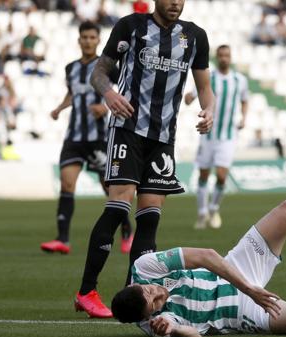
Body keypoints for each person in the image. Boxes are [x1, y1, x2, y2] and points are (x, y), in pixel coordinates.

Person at [75, 0, 215, 318]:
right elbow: (99, 74)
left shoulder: (195, 36)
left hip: (163, 138)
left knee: (149, 218)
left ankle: (133, 293)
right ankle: (86, 292)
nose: (176, 3)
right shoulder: (131, 26)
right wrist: (110, 94)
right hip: (127, 129)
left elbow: (204, 87)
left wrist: (210, 110)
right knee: (118, 206)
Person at [111, 188, 286, 337]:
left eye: (150, 290)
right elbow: (194, 335)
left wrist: (249, 287)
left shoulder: (144, 267)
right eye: (155, 303)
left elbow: (206, 256)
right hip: (240, 311)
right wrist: (173, 331)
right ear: (145, 316)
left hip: (237, 268)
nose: (159, 294)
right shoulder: (153, 323)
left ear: (136, 284)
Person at [39, 22, 133, 255]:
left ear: (98, 40)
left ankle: (127, 232)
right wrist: (60, 108)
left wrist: (106, 107)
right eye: (85, 37)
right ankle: (62, 239)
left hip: (99, 137)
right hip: (74, 137)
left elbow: (126, 89)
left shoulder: (107, 67)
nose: (88, 41)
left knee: (109, 189)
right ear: (79, 40)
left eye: (92, 37)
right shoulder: (70, 68)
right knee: (67, 183)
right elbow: (73, 92)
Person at [184, 45, 249, 230]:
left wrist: (244, 117)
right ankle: (202, 213)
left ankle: (213, 209)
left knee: (221, 176)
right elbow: (195, 93)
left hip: (228, 136)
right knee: (204, 174)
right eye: (221, 55)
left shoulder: (240, 80)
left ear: (230, 57)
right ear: (217, 57)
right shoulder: (209, 77)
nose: (224, 58)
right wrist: (188, 97)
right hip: (208, 135)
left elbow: (245, 99)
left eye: (227, 55)